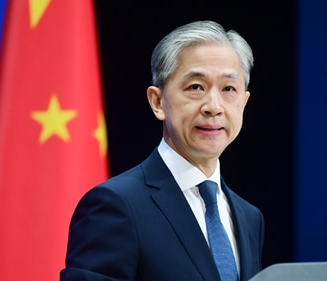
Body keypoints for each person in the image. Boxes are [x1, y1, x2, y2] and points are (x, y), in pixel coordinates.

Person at [60, 20, 265, 281]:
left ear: (243, 103)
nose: (214, 106)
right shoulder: (115, 205)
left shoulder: (249, 217)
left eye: (228, 89)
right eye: (196, 87)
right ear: (158, 102)